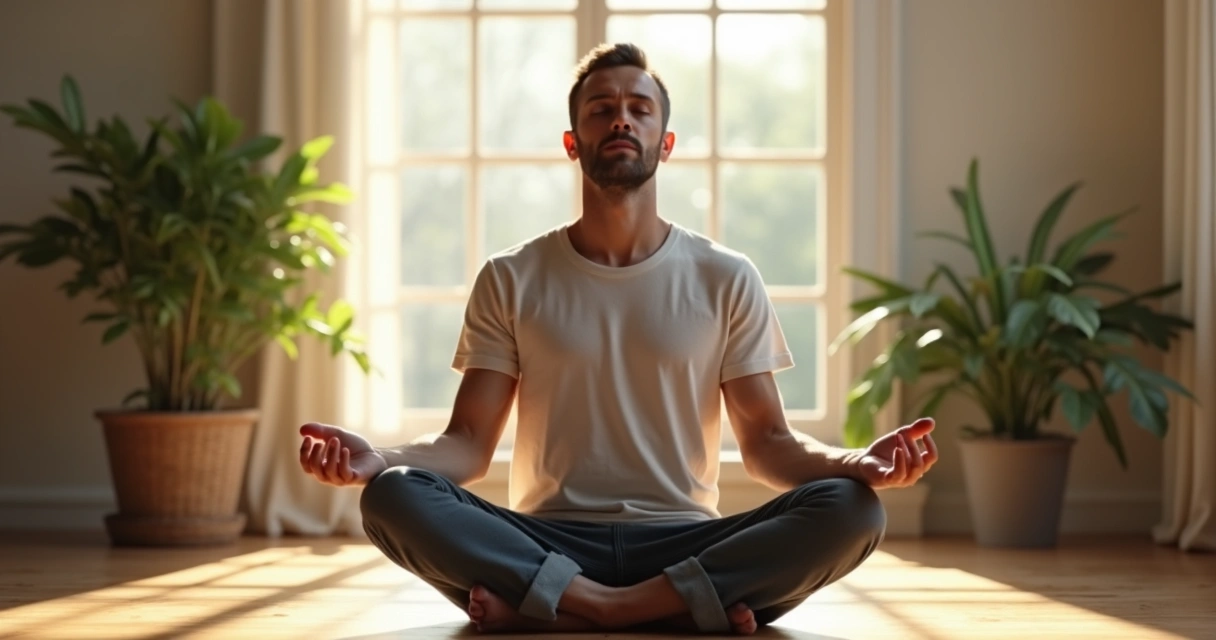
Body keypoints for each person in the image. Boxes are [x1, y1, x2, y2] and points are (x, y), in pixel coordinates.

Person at [298, 42, 938, 636]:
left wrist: (858, 464)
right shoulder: (511, 275)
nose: (622, 120)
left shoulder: (726, 276)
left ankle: (578, 609)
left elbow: (769, 445)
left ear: (667, 142)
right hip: (546, 540)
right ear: (574, 142)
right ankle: (676, 609)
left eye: (640, 108)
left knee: (853, 511)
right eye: (603, 110)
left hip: (686, 540)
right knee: (394, 496)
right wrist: (376, 460)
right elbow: (465, 445)